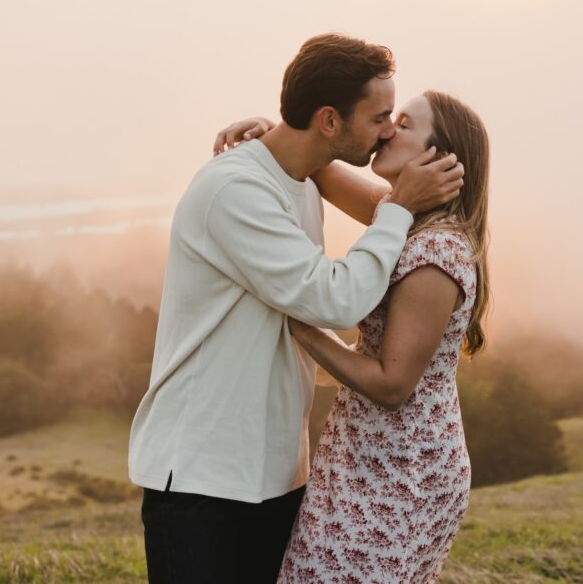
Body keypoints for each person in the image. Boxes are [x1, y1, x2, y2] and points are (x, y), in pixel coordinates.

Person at [128, 34, 464, 583]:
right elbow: (336, 300)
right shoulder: (234, 189)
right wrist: (399, 205)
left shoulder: (301, 180)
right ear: (329, 121)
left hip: (276, 475)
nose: (387, 130)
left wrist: (404, 202)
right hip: (201, 477)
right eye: (380, 117)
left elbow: (404, 224)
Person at [219, 89, 490, 583]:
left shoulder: (437, 254)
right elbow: (319, 167)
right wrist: (272, 131)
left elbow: (392, 384)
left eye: (404, 124)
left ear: (438, 158)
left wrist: (300, 322)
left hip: (402, 472)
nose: (387, 130)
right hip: (369, 460)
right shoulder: (407, 216)